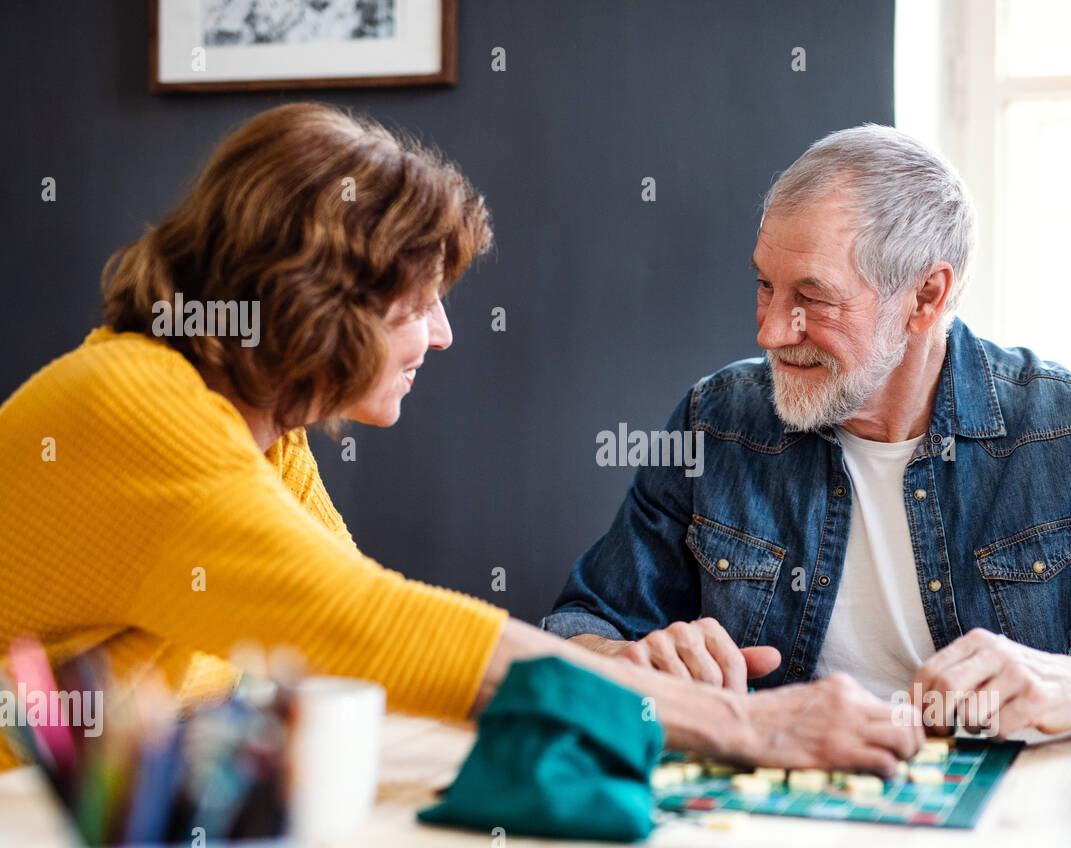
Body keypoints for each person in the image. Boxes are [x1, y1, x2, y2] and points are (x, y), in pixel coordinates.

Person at [0, 104, 925, 776]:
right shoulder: (133, 405)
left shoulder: (256, 427)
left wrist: (616, 687)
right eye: (421, 302)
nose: (442, 334)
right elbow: (375, 631)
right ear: (322, 301)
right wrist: (751, 728)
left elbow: (356, 644)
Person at [543, 124, 1071, 736]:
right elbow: (580, 624)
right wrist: (630, 660)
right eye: (765, 285)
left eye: (811, 297)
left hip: (999, 825)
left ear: (927, 295)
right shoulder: (716, 422)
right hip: (767, 807)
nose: (767, 330)